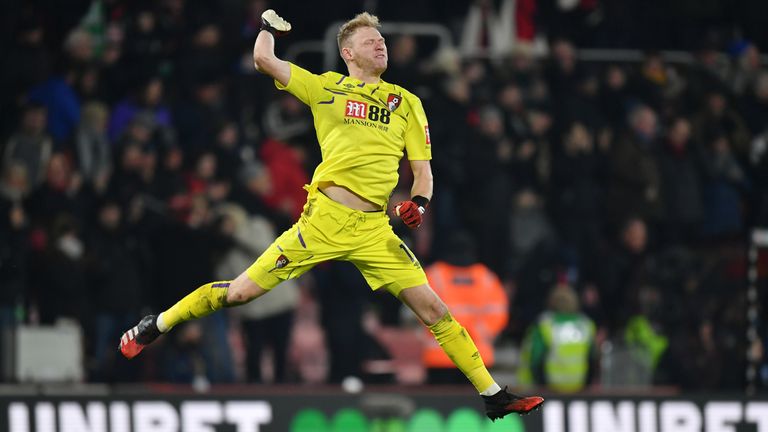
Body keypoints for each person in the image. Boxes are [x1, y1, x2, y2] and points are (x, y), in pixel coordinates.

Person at [118, 10, 543, 420]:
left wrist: (421, 204)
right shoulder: (326, 89)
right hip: (323, 222)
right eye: (369, 41)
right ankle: (156, 324)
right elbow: (263, 59)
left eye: (382, 41)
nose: (380, 45)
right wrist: (267, 25)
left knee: (434, 310)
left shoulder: (407, 103)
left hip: (375, 229)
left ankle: (492, 394)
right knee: (240, 293)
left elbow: (423, 174)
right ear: (348, 54)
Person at [422, 232, 509, 384]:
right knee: (476, 406)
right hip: (477, 355)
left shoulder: (434, 274)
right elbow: (499, 312)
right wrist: (477, 333)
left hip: (441, 355)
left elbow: (419, 308)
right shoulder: (486, 277)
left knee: (441, 404)